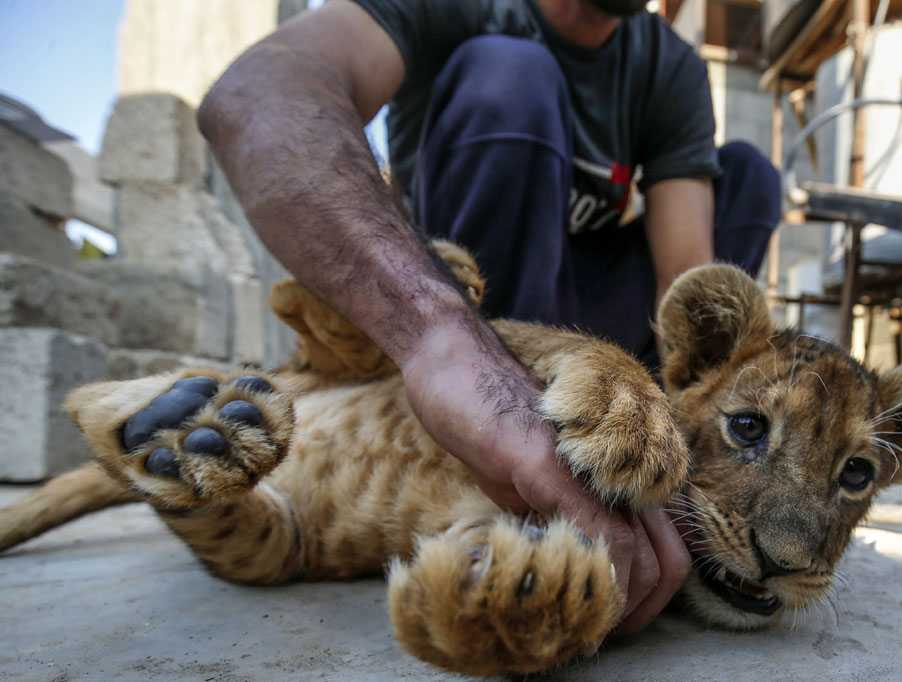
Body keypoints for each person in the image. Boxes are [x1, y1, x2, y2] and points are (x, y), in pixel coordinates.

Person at [197, 0, 779, 640]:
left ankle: (605, 449)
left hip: (580, 312)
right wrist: (438, 337)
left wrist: (678, 445)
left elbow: (686, 288)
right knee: (511, 72)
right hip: (468, 292)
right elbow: (254, 92)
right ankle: (488, 449)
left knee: (749, 176)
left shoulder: (668, 63)